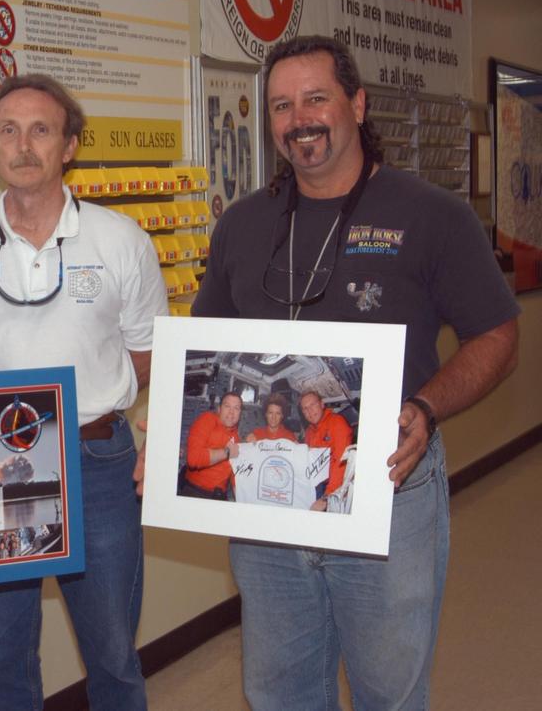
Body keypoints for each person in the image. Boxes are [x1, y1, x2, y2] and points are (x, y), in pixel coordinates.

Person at [191, 35, 519, 709]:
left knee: (388, 690)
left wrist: (426, 407)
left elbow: (498, 334)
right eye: (282, 105)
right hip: (271, 502)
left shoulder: (432, 216)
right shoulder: (244, 225)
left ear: (357, 104)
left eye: (316, 98)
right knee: (281, 691)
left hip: (386, 485)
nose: (298, 118)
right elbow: (203, 346)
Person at [0, 73, 166, 711]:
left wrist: (139, 435)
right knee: (0, 662)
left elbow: (150, 358)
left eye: (41, 130)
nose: (24, 145)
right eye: (8, 131)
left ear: (70, 145)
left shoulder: (122, 243)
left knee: (112, 655)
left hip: (98, 464)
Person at [181, 391, 242, 500]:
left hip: (220, 497)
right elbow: (193, 459)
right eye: (227, 406)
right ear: (219, 409)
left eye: (236, 408)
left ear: (239, 414)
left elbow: (235, 474)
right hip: (195, 492)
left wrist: (241, 499)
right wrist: (227, 452)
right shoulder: (207, 420)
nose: (231, 412)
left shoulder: (237, 438)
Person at [298, 390, 352, 504]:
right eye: (305, 409)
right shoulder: (308, 432)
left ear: (322, 404)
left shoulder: (337, 423)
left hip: (335, 488)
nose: (310, 411)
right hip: (316, 486)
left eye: (313, 405)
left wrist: (327, 497)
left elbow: (340, 463)